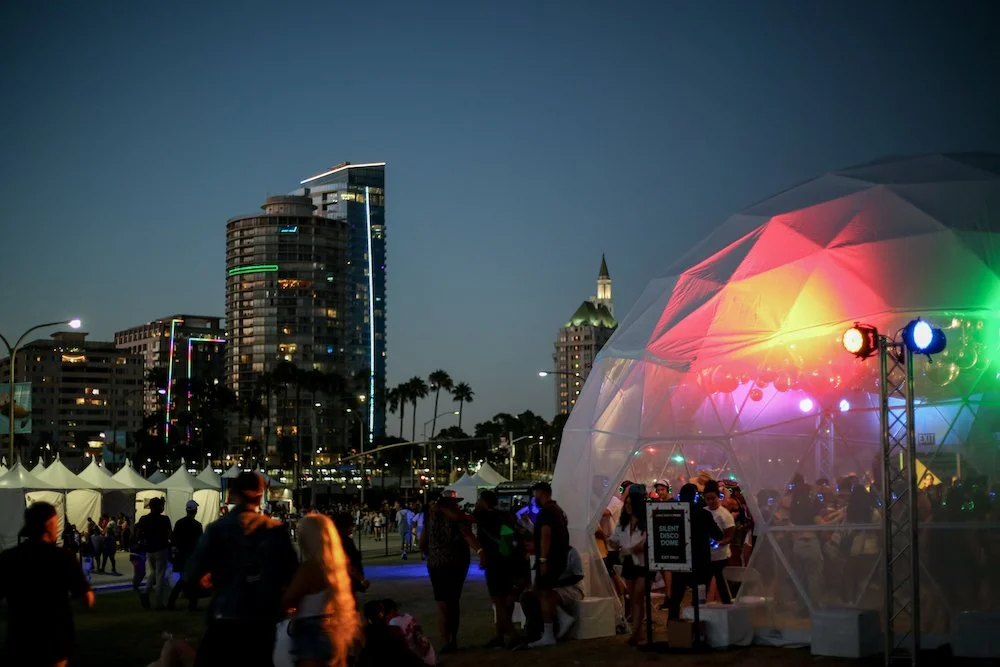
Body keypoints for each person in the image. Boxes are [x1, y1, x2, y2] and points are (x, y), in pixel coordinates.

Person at [184, 471, 299, 667]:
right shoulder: (275, 531)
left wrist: (209, 584)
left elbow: (191, 574)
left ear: (234, 493)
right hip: (261, 618)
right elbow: (291, 574)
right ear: (259, 494)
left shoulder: (217, 529)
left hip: (226, 615)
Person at [0, 502, 95, 667]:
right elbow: (86, 599)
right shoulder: (63, 557)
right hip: (54, 637)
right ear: (49, 524)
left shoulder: (9, 557)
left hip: (19, 637)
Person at [279, 513, 359, 667]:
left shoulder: (310, 569)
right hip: (334, 628)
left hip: (310, 632)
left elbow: (288, 599)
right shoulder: (338, 567)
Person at [419, 489, 484, 655]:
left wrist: (431, 553)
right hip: (457, 562)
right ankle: (453, 639)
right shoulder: (458, 518)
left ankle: (445, 641)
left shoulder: (430, 517)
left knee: (442, 604)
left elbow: (422, 542)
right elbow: (468, 536)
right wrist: (480, 551)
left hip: (436, 563)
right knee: (453, 602)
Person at [474, 489, 528, 648]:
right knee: (506, 600)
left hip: (495, 562)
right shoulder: (503, 515)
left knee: (498, 601)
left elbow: (465, 519)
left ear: (484, 501)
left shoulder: (483, 516)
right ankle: (499, 636)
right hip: (509, 560)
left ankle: (512, 635)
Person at [664, 484, 724, 619]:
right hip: (700, 562)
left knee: (676, 595)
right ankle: (699, 624)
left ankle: (673, 626)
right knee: (699, 595)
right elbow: (718, 535)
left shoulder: (674, 513)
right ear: (695, 497)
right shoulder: (704, 514)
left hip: (680, 560)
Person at [527, 481, 570, 648]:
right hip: (558, 558)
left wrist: (543, 559)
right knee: (540, 590)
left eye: (535, 495)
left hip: (550, 559)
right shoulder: (558, 510)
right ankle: (562, 618)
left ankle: (549, 633)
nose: (533, 499)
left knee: (544, 593)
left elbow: (546, 535)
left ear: (542, 493)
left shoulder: (546, 512)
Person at [519, 545, 584, 646]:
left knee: (548, 597)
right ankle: (535, 629)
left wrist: (554, 583)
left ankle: (558, 623)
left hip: (572, 587)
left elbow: (578, 575)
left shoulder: (571, 552)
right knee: (526, 597)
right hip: (551, 587)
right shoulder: (545, 554)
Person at [609, 486, 650, 646]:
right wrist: (616, 543)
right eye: (626, 503)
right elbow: (613, 540)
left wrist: (630, 548)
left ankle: (638, 631)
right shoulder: (623, 523)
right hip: (628, 562)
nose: (627, 506)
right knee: (633, 597)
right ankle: (638, 632)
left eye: (630, 503)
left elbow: (644, 544)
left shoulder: (645, 522)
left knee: (639, 595)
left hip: (642, 562)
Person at [136, 496, 172, 609]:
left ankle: (145, 592)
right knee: (160, 575)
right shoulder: (165, 519)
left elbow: (137, 534)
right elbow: (170, 534)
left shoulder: (144, 519)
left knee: (153, 572)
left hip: (149, 549)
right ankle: (159, 603)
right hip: (161, 548)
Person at [703, 480, 736, 604]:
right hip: (707, 557)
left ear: (718, 497)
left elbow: (730, 537)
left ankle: (728, 608)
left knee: (723, 586)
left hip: (721, 557)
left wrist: (718, 543)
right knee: (706, 585)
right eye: (708, 499)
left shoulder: (725, 515)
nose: (711, 501)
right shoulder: (704, 512)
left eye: (713, 498)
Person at [168, 499, 204, 610]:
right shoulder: (197, 525)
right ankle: (191, 603)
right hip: (192, 556)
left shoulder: (179, 523)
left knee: (185, 579)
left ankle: (175, 601)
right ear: (196, 511)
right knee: (190, 580)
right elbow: (200, 542)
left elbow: (173, 539)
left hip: (181, 555)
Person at [384, 598, 436, 665]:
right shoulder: (407, 616)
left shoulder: (393, 623)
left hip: (419, 660)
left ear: (391, 611)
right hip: (428, 656)